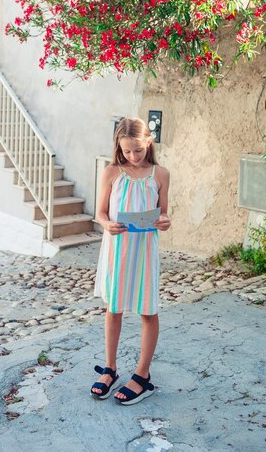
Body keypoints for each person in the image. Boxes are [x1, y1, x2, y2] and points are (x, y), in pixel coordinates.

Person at [91, 117, 171, 405]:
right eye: (126, 151)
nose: (133, 156)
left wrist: (164, 222)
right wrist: (106, 224)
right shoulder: (112, 172)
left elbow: (163, 213)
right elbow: (100, 212)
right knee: (114, 308)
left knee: (147, 310)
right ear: (119, 148)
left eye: (137, 150)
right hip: (117, 248)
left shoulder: (160, 174)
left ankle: (142, 374)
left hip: (145, 249)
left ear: (148, 142)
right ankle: (110, 369)